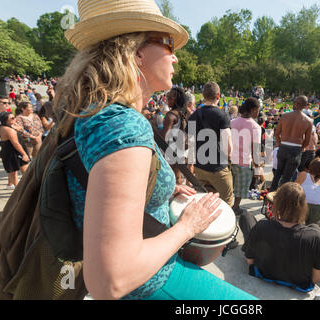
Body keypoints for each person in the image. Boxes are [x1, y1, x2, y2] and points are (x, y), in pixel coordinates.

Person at [54, 0, 255, 301]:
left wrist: (162, 188)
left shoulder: (98, 111)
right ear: (134, 51)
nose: (175, 58)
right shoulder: (123, 126)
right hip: (150, 284)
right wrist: (189, 226)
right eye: (168, 44)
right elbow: (109, 280)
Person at [240, 182, 320, 291]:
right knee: (315, 227)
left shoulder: (262, 226)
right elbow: (315, 279)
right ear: (303, 207)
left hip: (264, 274)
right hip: (300, 284)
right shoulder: (316, 237)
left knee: (246, 216)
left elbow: (250, 261)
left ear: (277, 203)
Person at [188, 82, 234, 207]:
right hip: (218, 168)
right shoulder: (222, 115)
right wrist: (229, 158)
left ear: (203, 96)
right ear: (218, 96)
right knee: (227, 200)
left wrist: (191, 163)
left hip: (199, 167)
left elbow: (190, 143)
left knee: (202, 200)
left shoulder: (193, 115)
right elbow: (228, 145)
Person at [270, 96, 313, 191]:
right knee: (287, 178)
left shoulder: (285, 116)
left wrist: (279, 144)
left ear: (297, 104)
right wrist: (301, 148)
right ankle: (281, 201)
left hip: (283, 146)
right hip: (296, 149)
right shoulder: (309, 121)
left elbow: (277, 133)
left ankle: (269, 201)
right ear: (305, 106)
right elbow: (307, 140)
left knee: (277, 175)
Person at [230, 98, 261, 215]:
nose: (258, 112)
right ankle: (236, 207)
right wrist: (257, 167)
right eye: (258, 110)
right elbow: (256, 149)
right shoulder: (255, 127)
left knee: (229, 186)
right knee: (240, 187)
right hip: (244, 162)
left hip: (229, 160)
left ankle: (227, 207)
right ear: (253, 110)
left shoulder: (232, 122)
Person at [161, 87, 189, 185]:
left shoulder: (170, 115)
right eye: (167, 97)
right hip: (183, 150)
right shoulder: (185, 113)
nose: (167, 100)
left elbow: (163, 137)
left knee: (170, 178)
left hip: (172, 150)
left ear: (177, 100)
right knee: (177, 176)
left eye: (170, 98)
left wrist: (153, 126)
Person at [0, 112, 30, 189]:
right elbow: (16, 143)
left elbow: (20, 130)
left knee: (13, 172)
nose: (15, 119)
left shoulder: (2, 127)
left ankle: (19, 190)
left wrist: (18, 128)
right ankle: (22, 191)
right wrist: (24, 154)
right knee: (26, 173)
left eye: (14, 117)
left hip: (8, 152)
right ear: (6, 120)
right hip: (14, 152)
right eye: (12, 118)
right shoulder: (9, 130)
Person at [295, 158, 320, 225]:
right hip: (316, 209)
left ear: (311, 166)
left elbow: (294, 189)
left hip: (302, 205)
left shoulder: (303, 174)